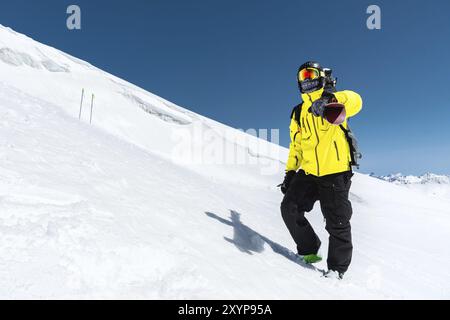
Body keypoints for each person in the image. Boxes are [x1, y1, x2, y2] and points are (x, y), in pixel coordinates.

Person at [279, 61, 362, 279]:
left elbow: (357, 100)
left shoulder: (334, 100)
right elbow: (296, 145)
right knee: (289, 207)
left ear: (320, 76)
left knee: (337, 221)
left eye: (310, 74)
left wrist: (331, 99)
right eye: (302, 76)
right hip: (308, 172)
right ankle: (309, 250)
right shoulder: (298, 113)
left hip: (335, 171)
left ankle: (336, 270)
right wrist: (290, 172)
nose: (307, 79)